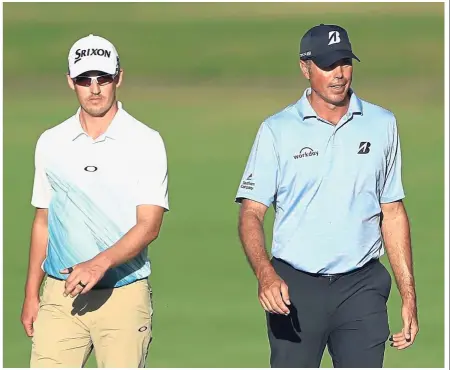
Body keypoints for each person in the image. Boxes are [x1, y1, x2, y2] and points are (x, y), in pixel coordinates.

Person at [235, 24, 418, 368]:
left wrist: (409, 296)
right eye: (327, 64)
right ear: (305, 68)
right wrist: (265, 273)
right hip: (295, 290)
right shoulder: (277, 130)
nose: (339, 74)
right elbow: (252, 212)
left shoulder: (382, 124)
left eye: (345, 62)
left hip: (362, 287)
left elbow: (392, 211)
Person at [20, 34, 169, 368]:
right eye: (85, 79)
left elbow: (149, 225)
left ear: (119, 78)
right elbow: (42, 221)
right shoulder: (51, 142)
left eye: (103, 78)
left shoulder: (145, 142)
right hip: (60, 298)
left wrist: (99, 263)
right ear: (70, 82)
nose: (95, 88)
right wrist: (32, 293)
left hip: (123, 296)